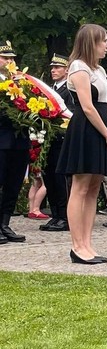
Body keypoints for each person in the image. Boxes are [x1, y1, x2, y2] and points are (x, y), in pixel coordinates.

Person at [57, 24, 107, 264]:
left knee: (94, 187)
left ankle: (87, 243)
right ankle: (77, 245)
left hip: (104, 129)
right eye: (103, 41)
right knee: (80, 186)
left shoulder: (99, 70)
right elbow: (88, 107)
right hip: (87, 130)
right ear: (91, 43)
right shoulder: (78, 67)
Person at [40, 53, 74, 232]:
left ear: (67, 70)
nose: (53, 70)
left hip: (62, 140)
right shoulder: (49, 90)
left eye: (57, 67)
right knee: (50, 178)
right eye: (52, 67)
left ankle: (65, 217)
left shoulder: (70, 90)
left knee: (61, 179)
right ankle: (56, 214)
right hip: (48, 140)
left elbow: (71, 113)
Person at [0, 41, 29, 244]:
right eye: (5, 58)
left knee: (14, 184)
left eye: (12, 58)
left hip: (20, 141)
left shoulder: (22, 82)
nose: (10, 61)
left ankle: (4, 223)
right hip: (2, 140)